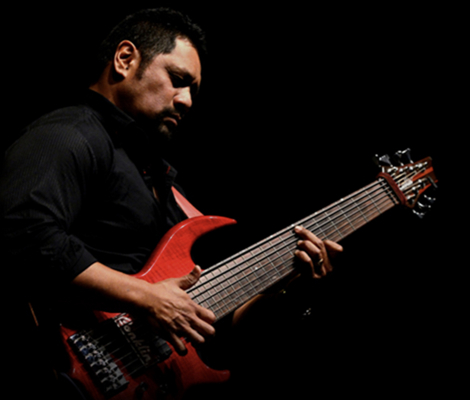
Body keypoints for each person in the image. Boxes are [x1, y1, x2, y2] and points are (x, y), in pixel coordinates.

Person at [1, 7, 342, 398]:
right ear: (125, 59)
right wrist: (145, 297)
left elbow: (213, 329)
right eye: (178, 80)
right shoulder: (70, 134)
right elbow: (25, 235)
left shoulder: (157, 180)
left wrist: (291, 290)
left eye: (194, 90)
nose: (188, 101)